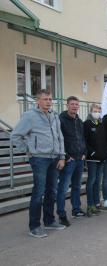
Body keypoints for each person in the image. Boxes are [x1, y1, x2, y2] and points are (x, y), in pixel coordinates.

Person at [11, 89, 66, 238]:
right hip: (39, 159)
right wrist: (29, 150)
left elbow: (60, 137)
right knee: (38, 192)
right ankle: (34, 226)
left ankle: (49, 220)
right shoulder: (29, 116)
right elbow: (15, 136)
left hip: (55, 158)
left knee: (52, 191)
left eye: (50, 99)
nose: (49, 101)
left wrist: (62, 156)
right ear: (38, 101)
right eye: (45, 99)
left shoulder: (54, 116)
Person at [57, 96, 87, 226]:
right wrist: (66, 156)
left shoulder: (79, 121)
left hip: (80, 159)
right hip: (69, 160)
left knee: (76, 186)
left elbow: (82, 138)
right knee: (63, 188)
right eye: (72, 104)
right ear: (67, 105)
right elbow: (59, 139)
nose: (75, 106)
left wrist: (85, 153)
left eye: (76, 104)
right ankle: (61, 214)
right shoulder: (61, 120)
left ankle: (76, 209)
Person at [84, 103, 107, 216]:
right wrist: (91, 152)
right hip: (92, 158)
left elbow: (104, 140)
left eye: (98, 110)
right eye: (95, 110)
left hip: (101, 158)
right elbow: (85, 141)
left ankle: (97, 203)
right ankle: (90, 204)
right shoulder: (87, 124)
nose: (97, 112)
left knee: (98, 181)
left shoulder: (101, 124)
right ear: (91, 111)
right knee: (91, 181)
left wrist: (105, 152)